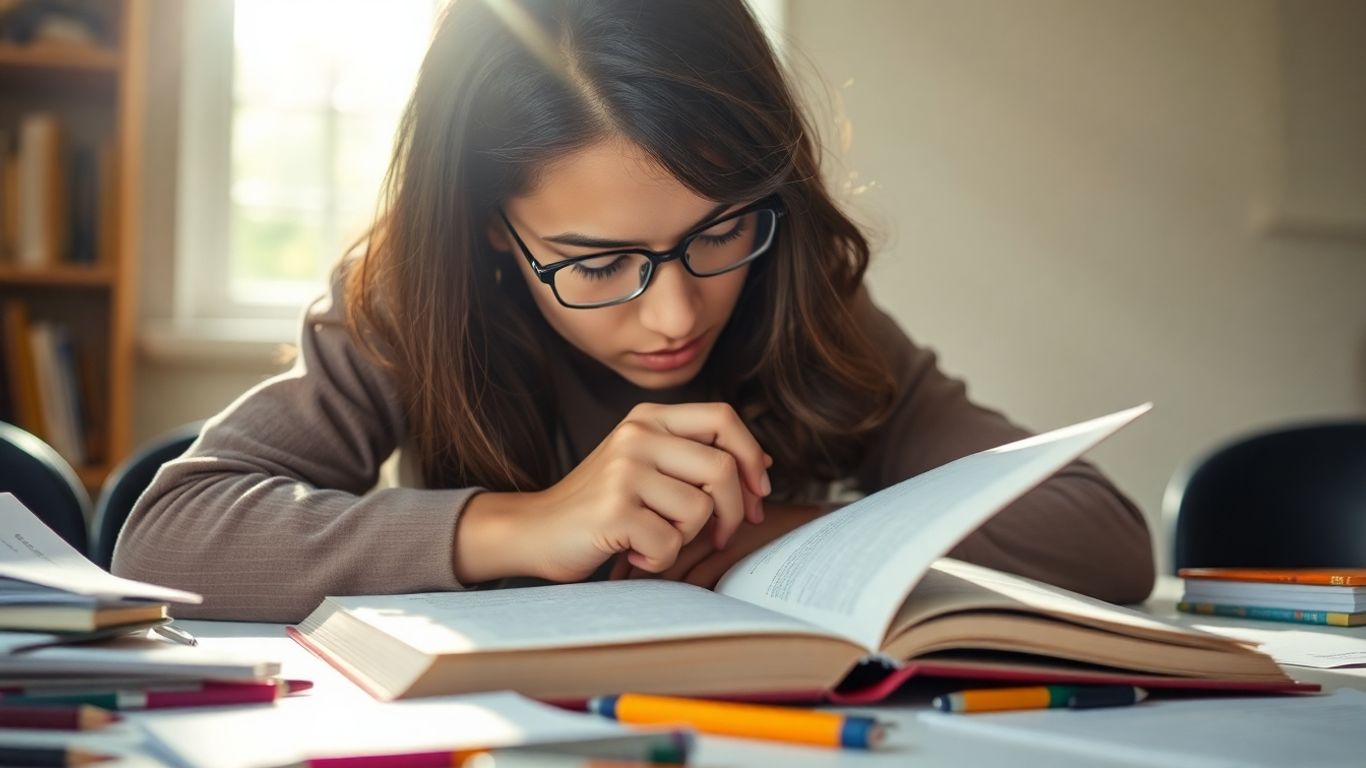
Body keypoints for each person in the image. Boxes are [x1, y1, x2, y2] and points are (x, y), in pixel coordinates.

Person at [112, 0, 1154, 622]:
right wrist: (525, 524)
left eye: (716, 231)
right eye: (597, 261)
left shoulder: (801, 299)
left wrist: (785, 539)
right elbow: (163, 537)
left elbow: (1101, 540)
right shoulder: (407, 303)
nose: (672, 314)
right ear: (487, 227)